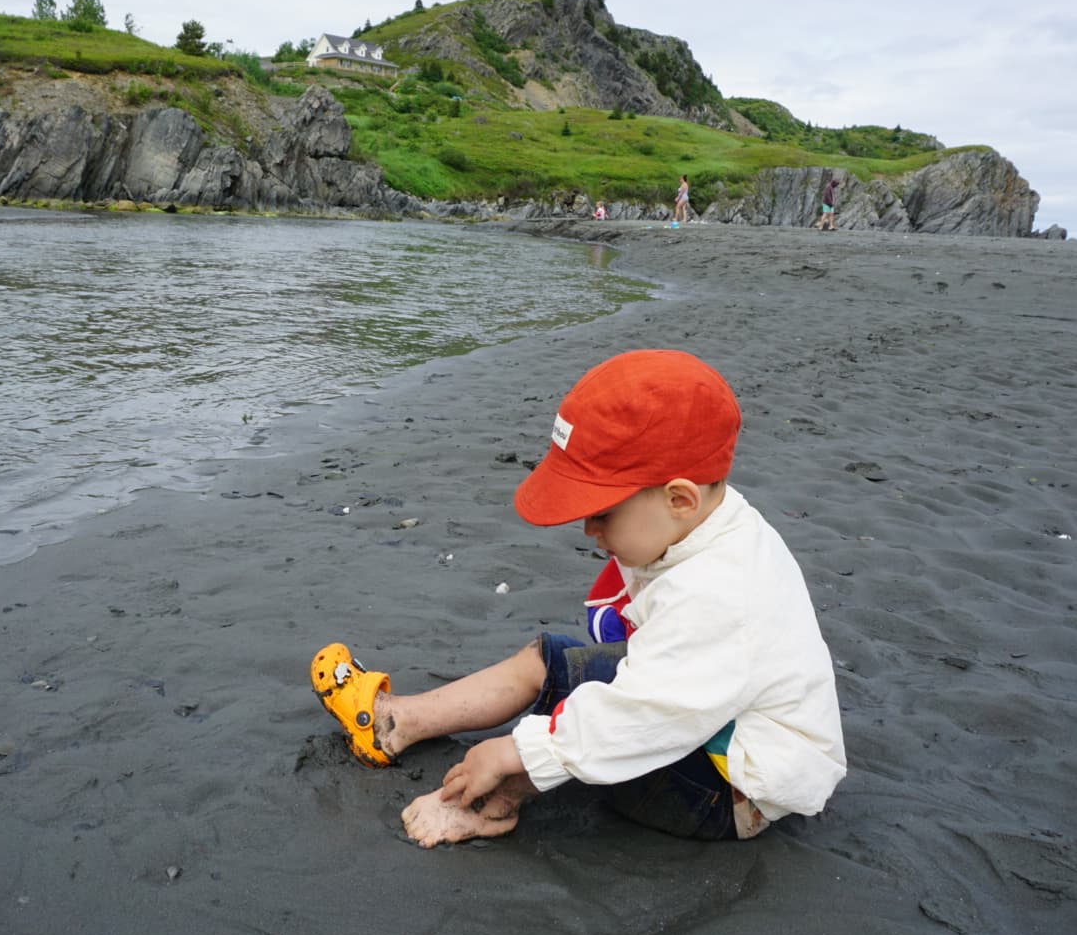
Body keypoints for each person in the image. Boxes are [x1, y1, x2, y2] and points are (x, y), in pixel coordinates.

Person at [310, 349, 846, 848]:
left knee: (571, 716)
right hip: (709, 712)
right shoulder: (704, 524)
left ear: (679, 499)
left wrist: (515, 752)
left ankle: (492, 804)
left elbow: (640, 721)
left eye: (603, 511)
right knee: (552, 661)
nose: (587, 527)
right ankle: (395, 722)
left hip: (727, 790)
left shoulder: (721, 594)